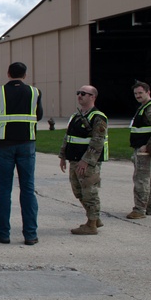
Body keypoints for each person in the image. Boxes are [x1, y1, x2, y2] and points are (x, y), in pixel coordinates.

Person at [0, 62, 43, 245]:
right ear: (25, 75)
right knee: (27, 190)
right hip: (27, 144)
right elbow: (39, 115)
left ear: (8, 73)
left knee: (4, 191)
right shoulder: (34, 92)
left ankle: (3, 233)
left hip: (4, 144)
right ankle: (30, 235)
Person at [59, 85, 108, 235]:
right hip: (74, 160)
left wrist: (86, 161)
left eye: (84, 94)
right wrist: (63, 155)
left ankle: (91, 224)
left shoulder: (98, 117)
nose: (80, 96)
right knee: (78, 191)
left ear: (92, 97)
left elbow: (98, 141)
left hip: (87, 163)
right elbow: (68, 137)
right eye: (78, 93)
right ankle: (95, 218)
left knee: (89, 191)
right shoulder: (76, 115)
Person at [127, 81, 151, 219]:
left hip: (145, 149)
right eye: (136, 93)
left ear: (148, 92)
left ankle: (139, 210)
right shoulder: (143, 107)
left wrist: (148, 146)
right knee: (149, 178)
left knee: (141, 179)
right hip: (141, 147)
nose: (137, 96)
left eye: (140, 93)